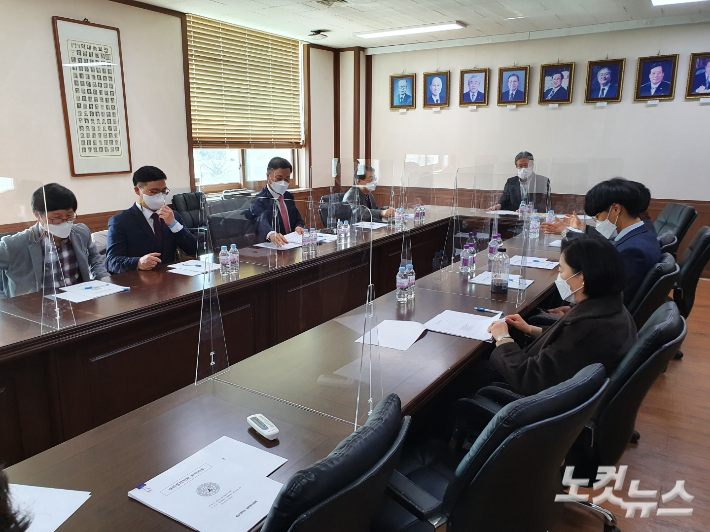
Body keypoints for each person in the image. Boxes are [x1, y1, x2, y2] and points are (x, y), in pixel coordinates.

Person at [486, 235, 637, 395]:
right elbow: (564, 345)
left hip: (526, 398)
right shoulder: (612, 306)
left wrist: (503, 339)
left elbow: (530, 378)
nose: (559, 277)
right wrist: (530, 329)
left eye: (561, 271)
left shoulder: (586, 328)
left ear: (582, 279)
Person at [541, 178, 661, 306]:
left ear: (616, 209)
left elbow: (613, 300)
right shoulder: (642, 236)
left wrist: (572, 311)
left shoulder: (633, 251)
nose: (597, 221)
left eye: (598, 216)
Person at [0, 183, 108, 298]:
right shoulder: (12, 245)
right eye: (57, 217)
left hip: (79, 301)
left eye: (69, 216)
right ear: (37, 215)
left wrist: (105, 280)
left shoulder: (81, 233)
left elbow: (94, 258)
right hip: (36, 306)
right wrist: (6, 304)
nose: (64, 222)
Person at [106, 166, 197, 274]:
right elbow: (112, 261)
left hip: (172, 276)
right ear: (137, 190)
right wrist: (138, 262)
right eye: (153, 192)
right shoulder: (120, 221)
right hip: (141, 280)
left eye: (164, 191)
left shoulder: (173, 216)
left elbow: (193, 250)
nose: (160, 196)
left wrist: (174, 225)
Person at [250, 157, 305, 247]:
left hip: (292, 244)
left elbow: (298, 219)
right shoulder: (258, 200)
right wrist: (271, 233)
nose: (283, 183)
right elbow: (261, 222)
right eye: (279, 178)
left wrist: (298, 227)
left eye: (287, 179)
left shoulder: (288, 196)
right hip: (272, 247)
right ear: (268, 176)